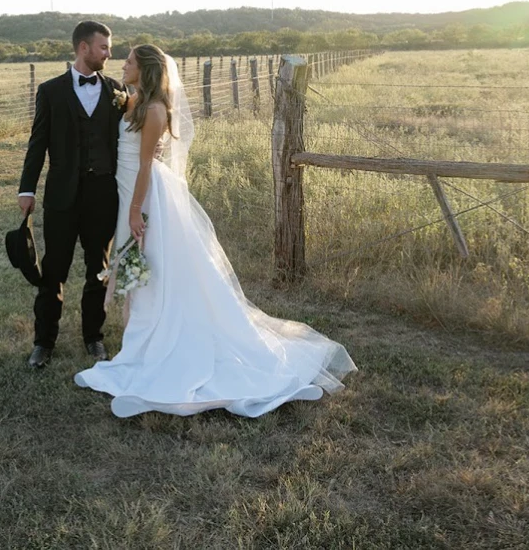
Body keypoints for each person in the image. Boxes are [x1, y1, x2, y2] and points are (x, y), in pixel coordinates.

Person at [74, 45, 356, 417]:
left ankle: (156, 340)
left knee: (151, 265)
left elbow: (145, 165)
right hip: (127, 188)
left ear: (146, 70)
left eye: (128, 62)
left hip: (143, 196)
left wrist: (134, 212)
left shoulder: (155, 110)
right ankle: (138, 340)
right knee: (141, 267)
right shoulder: (130, 101)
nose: (121, 66)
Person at [18, 21, 127, 369]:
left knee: (99, 268)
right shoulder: (50, 92)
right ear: (83, 48)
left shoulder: (117, 91)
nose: (109, 54)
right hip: (62, 197)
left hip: (103, 196)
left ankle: (93, 338)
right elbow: (38, 144)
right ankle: (43, 342)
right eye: (104, 48)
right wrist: (26, 188)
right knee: (54, 269)